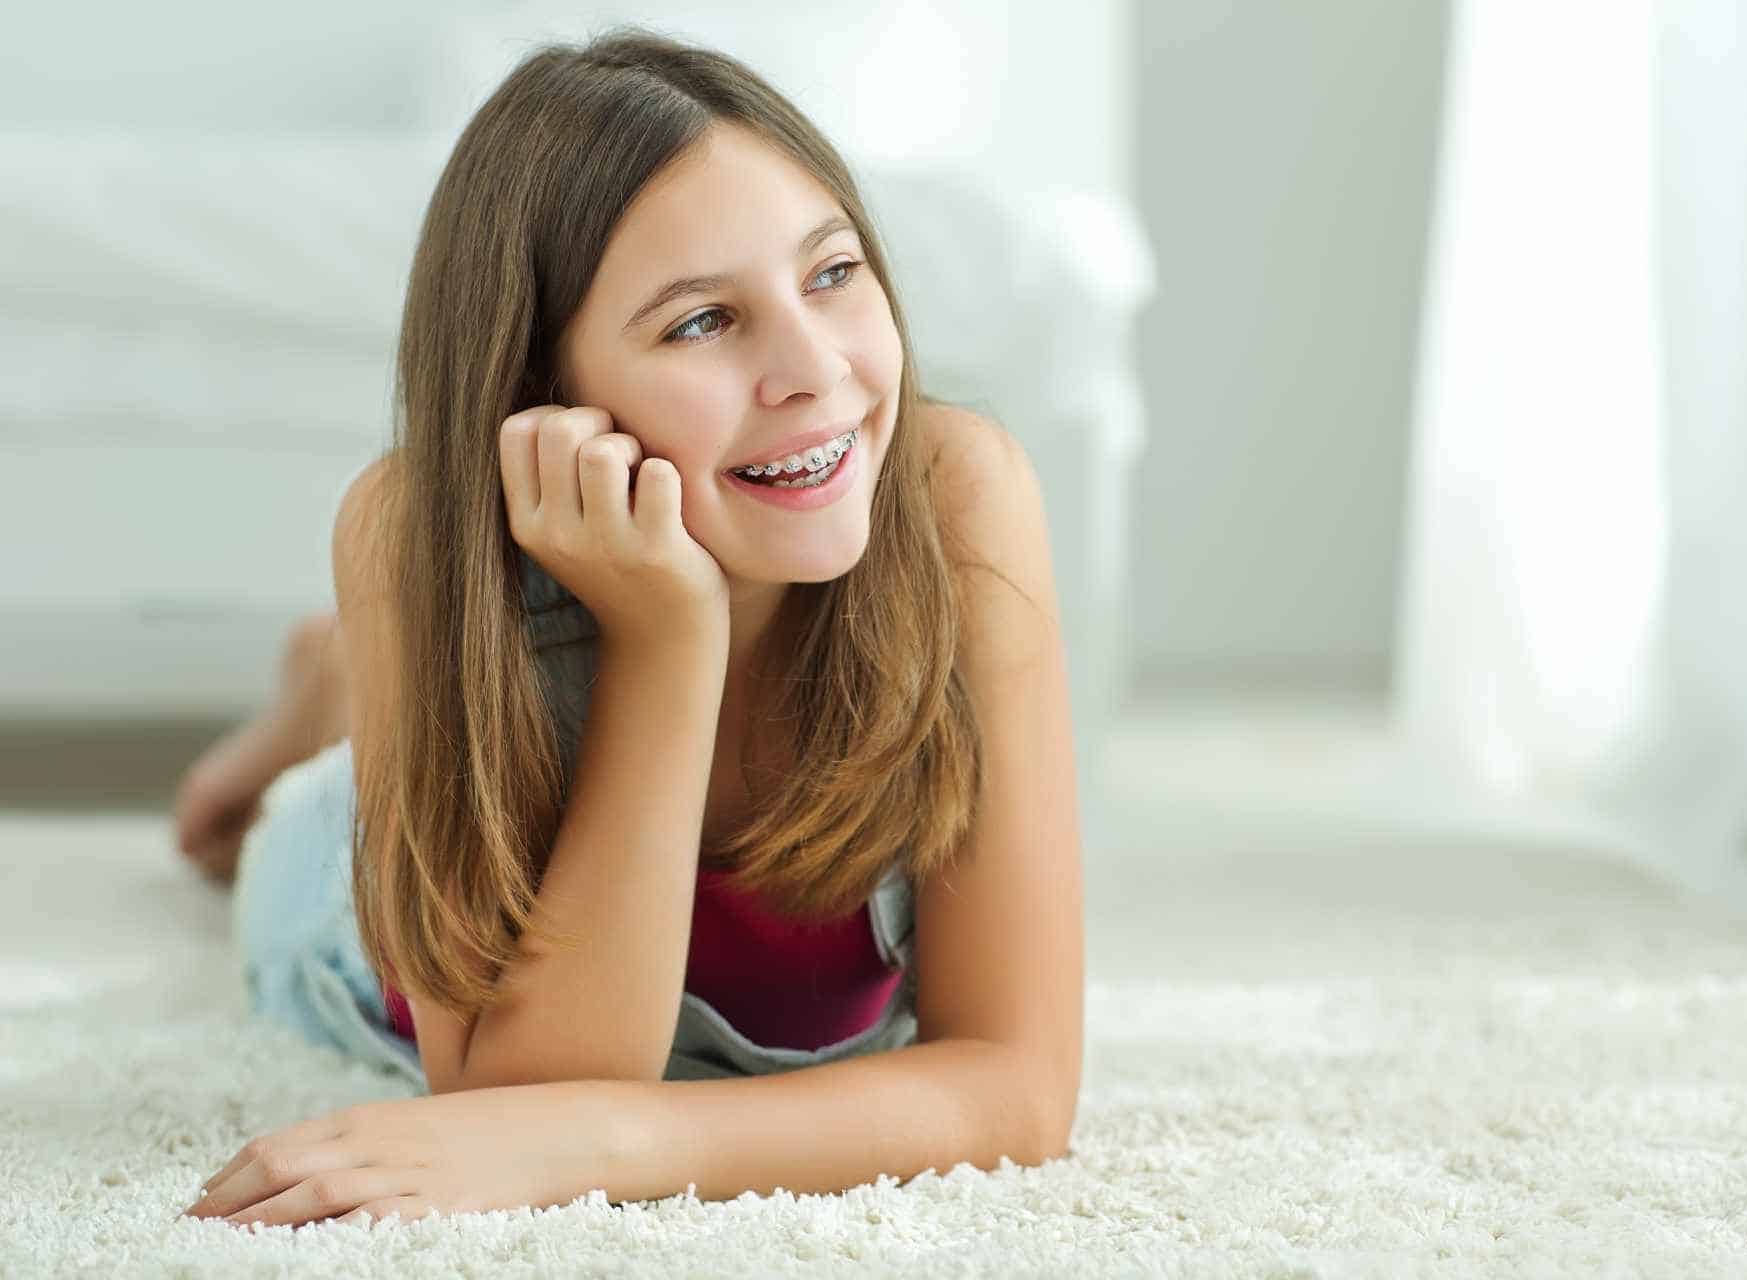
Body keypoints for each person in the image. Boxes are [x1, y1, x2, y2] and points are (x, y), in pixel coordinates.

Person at [172, 26, 1084, 1227]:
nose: (815, 370)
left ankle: (336, 676)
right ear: (544, 401)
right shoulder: (413, 542)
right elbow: (504, 1096)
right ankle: (332, 703)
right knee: (240, 836)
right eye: (702, 322)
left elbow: (1017, 1088)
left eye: (830, 273)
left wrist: (630, 1132)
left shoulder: (958, 497)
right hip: (337, 910)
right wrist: (665, 641)